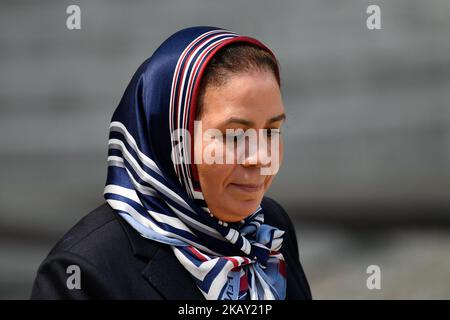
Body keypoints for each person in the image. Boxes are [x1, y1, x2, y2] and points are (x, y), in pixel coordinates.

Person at [30, 26, 312, 300]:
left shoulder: (269, 227)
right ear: (171, 138)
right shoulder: (84, 272)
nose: (261, 158)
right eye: (234, 135)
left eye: (271, 131)